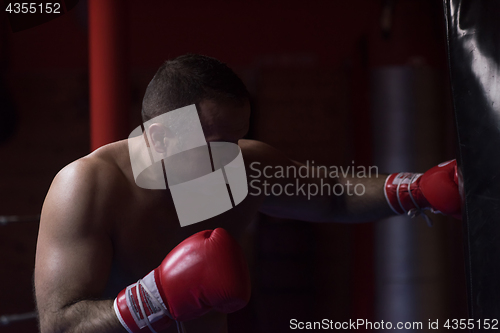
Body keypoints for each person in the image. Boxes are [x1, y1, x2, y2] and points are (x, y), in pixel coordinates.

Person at [34, 54, 461, 333]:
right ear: (162, 138)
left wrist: (414, 189)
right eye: (215, 144)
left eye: (234, 141)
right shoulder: (90, 188)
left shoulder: (242, 169)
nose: (227, 159)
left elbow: (333, 194)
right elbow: (60, 325)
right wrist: (156, 295)